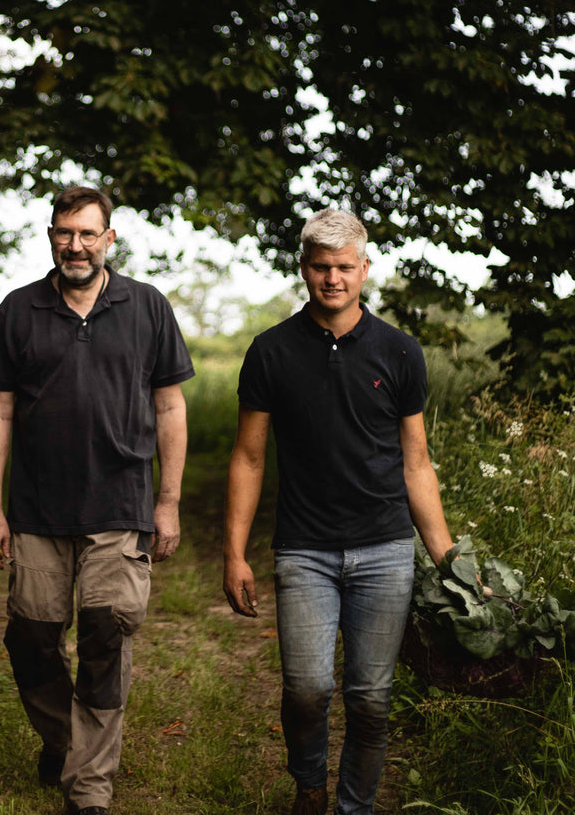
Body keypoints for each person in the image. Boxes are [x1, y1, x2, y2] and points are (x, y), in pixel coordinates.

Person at [222, 209, 454, 815]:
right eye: (321, 267)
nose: (333, 279)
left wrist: (447, 560)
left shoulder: (399, 352)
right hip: (304, 548)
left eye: (345, 268)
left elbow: (417, 464)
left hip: (384, 547)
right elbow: (248, 458)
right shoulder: (270, 352)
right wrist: (234, 553)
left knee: (371, 697)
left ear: (365, 269)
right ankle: (309, 784)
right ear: (304, 269)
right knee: (307, 687)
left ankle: (354, 805)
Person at [0, 185, 194, 815]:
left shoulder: (146, 306)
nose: (75, 245)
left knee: (106, 635)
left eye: (87, 233)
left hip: (120, 505)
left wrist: (169, 502)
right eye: (64, 232)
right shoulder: (18, 310)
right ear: (51, 236)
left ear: (109, 239)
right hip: (38, 508)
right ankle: (66, 739)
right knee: (31, 640)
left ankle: (89, 787)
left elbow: (170, 405)